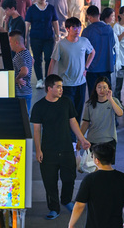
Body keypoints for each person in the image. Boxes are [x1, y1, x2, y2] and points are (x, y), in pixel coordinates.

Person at [30, 74, 91, 220]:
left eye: (61, 87)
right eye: (58, 86)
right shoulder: (39, 107)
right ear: (49, 88)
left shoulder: (66, 102)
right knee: (49, 182)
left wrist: (82, 139)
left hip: (66, 148)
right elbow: (37, 130)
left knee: (69, 178)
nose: (61, 89)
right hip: (48, 150)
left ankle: (66, 200)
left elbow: (73, 122)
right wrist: (38, 150)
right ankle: (54, 208)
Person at [68, 143, 124, 228]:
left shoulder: (89, 179)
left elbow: (79, 205)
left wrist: (71, 225)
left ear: (97, 160)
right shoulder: (123, 178)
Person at [48, 17, 95, 129]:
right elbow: (53, 62)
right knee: (68, 112)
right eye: (73, 27)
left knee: (78, 111)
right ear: (68, 29)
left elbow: (92, 52)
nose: (77, 29)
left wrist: (86, 67)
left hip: (81, 83)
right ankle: (68, 137)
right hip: (66, 84)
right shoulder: (61, 44)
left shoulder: (84, 41)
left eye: (78, 27)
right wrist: (49, 81)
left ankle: (74, 139)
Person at [80, 76, 123, 163]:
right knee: (94, 169)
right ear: (95, 88)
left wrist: (110, 99)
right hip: (93, 140)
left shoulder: (113, 101)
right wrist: (80, 139)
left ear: (109, 89)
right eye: (99, 87)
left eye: (104, 87)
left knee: (106, 170)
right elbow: (85, 122)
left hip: (109, 140)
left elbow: (120, 113)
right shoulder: (89, 104)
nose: (102, 90)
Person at [25, 0, 60, 89]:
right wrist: (25, 37)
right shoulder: (31, 9)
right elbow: (27, 23)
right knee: (37, 59)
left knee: (48, 58)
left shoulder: (51, 8)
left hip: (49, 37)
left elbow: (55, 22)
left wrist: (58, 35)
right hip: (35, 38)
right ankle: (39, 79)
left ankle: (47, 78)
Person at [81, 5, 116, 95]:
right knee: (106, 94)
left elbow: (83, 50)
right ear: (99, 15)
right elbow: (112, 44)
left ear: (89, 17)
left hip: (92, 68)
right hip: (106, 66)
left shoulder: (87, 31)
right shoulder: (109, 29)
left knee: (93, 94)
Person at [8, 30, 33, 112]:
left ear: (16, 43)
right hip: (27, 91)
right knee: (26, 115)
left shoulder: (19, 56)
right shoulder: (27, 52)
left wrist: (17, 78)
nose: (9, 44)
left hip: (21, 93)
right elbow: (33, 61)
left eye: (10, 42)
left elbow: (24, 71)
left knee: (22, 118)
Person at [100, 7, 119, 91]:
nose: (114, 18)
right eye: (112, 16)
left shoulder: (108, 27)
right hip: (108, 58)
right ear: (106, 17)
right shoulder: (106, 29)